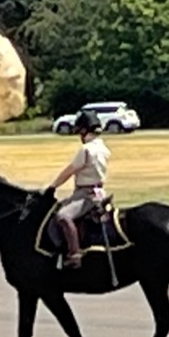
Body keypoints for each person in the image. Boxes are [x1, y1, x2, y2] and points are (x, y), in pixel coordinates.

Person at [47, 110, 111, 268]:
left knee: (63, 216)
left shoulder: (87, 149)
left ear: (83, 130)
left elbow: (70, 170)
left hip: (86, 193)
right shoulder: (103, 148)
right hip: (99, 191)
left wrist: (52, 186)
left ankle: (74, 254)